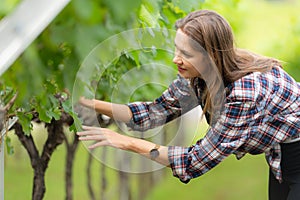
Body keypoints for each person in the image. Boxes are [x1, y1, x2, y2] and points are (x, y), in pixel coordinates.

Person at [77, 9, 300, 200]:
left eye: (186, 53)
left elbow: (193, 162)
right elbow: (154, 112)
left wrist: (126, 142)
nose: (176, 58)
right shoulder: (199, 76)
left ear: (210, 56)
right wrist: (88, 102)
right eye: (176, 48)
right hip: (281, 156)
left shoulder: (245, 92)